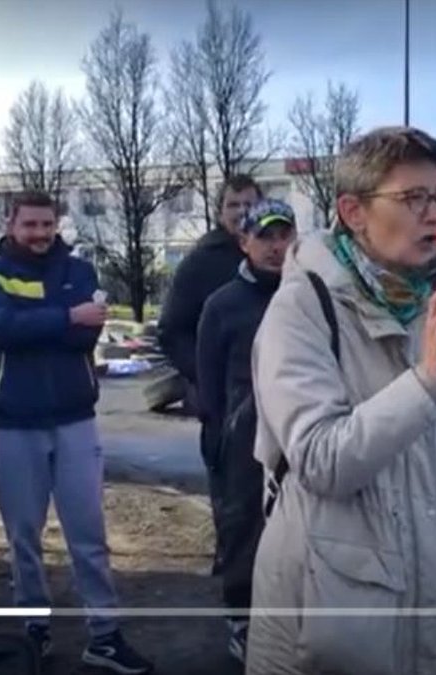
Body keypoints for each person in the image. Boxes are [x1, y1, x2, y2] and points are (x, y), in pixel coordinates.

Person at [244, 127, 436, 675]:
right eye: (412, 198)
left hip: (424, 596)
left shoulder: (428, 302)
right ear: (353, 212)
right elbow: (323, 460)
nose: (434, 214)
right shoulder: (300, 312)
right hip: (329, 612)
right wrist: (424, 381)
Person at [0, 192, 153, 675]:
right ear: (9, 224)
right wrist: (66, 316)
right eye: (30, 224)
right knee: (23, 534)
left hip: (74, 417)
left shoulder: (80, 271)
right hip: (14, 421)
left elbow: (85, 336)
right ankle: (34, 626)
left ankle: (105, 634)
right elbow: (3, 328)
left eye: (47, 223)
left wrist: (44, 323)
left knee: (88, 534)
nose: (40, 233)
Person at [195, 198, 297, 663]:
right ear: (244, 242)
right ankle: (241, 620)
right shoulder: (222, 304)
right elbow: (207, 377)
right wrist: (214, 434)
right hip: (242, 434)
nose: (276, 247)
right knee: (243, 529)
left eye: (284, 235)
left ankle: (292, 620)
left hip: (300, 430)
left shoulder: (308, 295)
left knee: (299, 527)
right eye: (265, 237)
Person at [157, 175, 261, 571]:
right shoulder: (202, 263)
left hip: (274, 394)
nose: (241, 213)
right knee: (231, 485)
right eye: (233, 205)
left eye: (249, 204)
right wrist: (204, 373)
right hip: (223, 401)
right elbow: (171, 329)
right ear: (220, 212)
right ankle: (232, 564)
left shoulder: (278, 256)